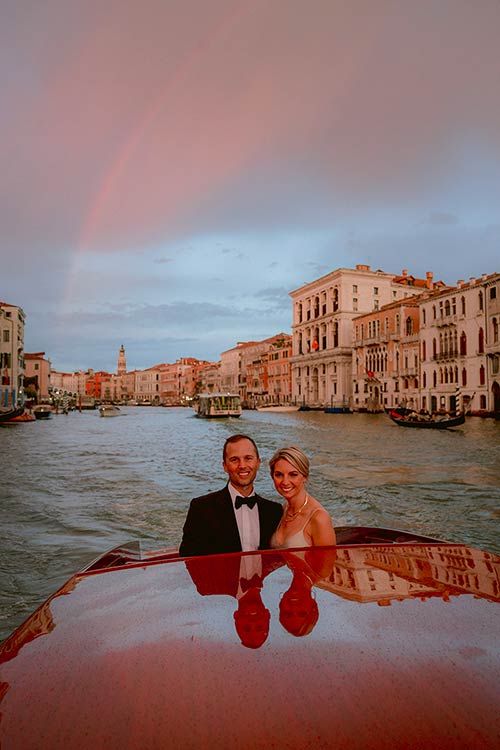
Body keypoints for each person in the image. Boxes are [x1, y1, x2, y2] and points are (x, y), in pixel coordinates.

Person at [179, 434, 282, 557]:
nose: (242, 465)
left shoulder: (274, 511)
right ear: (225, 466)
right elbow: (188, 558)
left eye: (248, 458)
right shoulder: (201, 508)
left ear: (258, 463)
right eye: (234, 460)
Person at [269, 446, 336, 549]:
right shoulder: (285, 508)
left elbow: (327, 564)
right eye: (279, 475)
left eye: (293, 474)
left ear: (305, 476)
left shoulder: (319, 518)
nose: (285, 482)